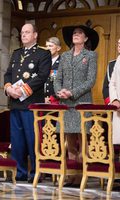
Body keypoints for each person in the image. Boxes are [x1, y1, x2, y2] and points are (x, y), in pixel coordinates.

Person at [4, 23, 51, 183]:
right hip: (15, 103)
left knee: (32, 139)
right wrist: (9, 89)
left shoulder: (43, 54)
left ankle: (36, 172)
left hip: (31, 103)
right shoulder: (16, 53)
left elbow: (42, 75)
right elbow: (8, 74)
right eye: (22, 32)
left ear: (35, 35)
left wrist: (22, 90)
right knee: (17, 140)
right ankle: (20, 172)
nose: (23, 35)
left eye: (27, 32)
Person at [54, 25, 99, 186]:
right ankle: (71, 176)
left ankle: (82, 176)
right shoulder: (65, 56)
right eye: (74, 33)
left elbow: (90, 80)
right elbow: (57, 78)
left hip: (82, 103)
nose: (76, 35)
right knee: (70, 143)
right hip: (66, 104)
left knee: (83, 141)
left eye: (80, 33)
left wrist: (71, 92)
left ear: (86, 38)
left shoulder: (91, 55)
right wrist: (59, 91)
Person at [102, 38, 120, 105]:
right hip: (116, 107)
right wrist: (112, 102)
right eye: (118, 44)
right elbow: (108, 87)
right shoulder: (113, 64)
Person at [44, 37, 61, 104]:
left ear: (58, 48)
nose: (47, 48)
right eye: (46, 46)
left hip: (57, 101)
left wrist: (52, 98)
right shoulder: (42, 62)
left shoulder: (63, 62)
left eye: (50, 46)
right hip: (42, 100)